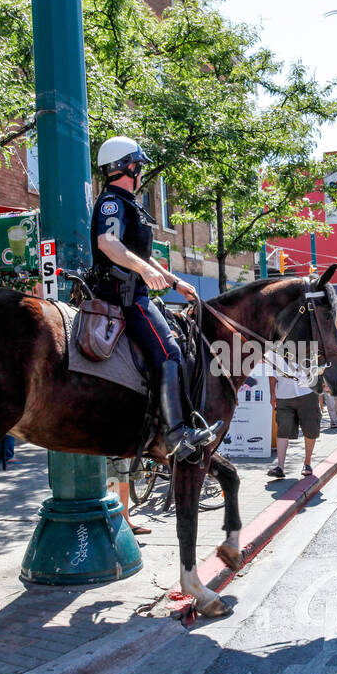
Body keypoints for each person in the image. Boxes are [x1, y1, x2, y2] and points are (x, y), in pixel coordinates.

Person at [91, 135, 218, 462]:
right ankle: (175, 434)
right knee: (170, 352)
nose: (141, 171)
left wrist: (176, 282)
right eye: (138, 164)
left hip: (138, 293)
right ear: (127, 166)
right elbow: (108, 243)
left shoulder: (129, 205)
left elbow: (141, 255)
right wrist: (143, 272)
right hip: (126, 298)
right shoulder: (112, 203)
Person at [266, 356, 319, 480]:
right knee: (282, 429)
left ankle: (307, 463)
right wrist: (272, 393)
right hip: (284, 396)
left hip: (307, 394)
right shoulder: (275, 350)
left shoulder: (307, 346)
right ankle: (280, 467)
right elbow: (272, 373)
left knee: (310, 429)